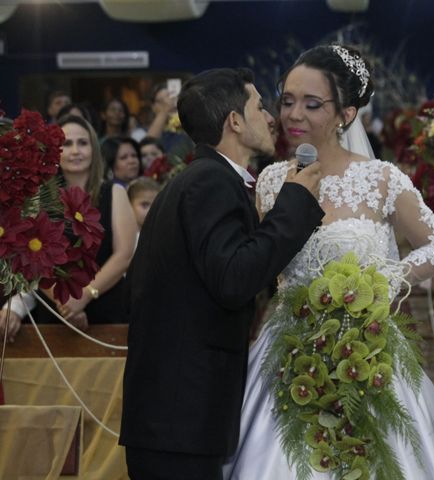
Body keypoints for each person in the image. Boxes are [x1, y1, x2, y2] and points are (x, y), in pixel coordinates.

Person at [223, 45, 434, 479]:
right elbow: (258, 263)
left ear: (346, 114)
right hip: (289, 351)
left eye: (311, 104)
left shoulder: (380, 179)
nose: (294, 115)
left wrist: (383, 283)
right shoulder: (270, 181)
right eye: (287, 101)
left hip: (369, 345)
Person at [119, 67, 325, 480]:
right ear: (234, 121)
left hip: (174, 420)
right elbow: (234, 279)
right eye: (259, 106)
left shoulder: (197, 180)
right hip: (181, 419)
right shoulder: (211, 183)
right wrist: (295, 204)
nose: (272, 118)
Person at [1, 115, 138, 332]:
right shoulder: (38, 197)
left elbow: (124, 255)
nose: (75, 151)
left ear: (94, 148)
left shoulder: (114, 192)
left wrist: (84, 295)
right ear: (56, 150)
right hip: (55, 310)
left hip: (106, 308)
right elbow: (29, 258)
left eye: (82, 143)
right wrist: (65, 302)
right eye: (67, 143)